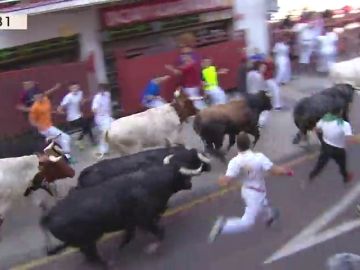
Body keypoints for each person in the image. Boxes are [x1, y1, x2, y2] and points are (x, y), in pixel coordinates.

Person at [208, 132, 294, 243]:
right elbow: (275, 170)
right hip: (255, 193)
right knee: (248, 223)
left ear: (237, 146)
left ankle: (269, 215)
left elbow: (226, 181)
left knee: (262, 203)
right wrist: (287, 172)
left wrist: (220, 179)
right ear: (249, 144)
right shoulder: (259, 157)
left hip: (247, 189)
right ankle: (224, 226)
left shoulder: (235, 162)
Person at [309, 106, 360, 184]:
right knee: (342, 164)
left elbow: (316, 129)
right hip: (338, 149)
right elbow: (349, 139)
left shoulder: (323, 120)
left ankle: (312, 176)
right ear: (340, 112)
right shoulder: (344, 124)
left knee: (321, 164)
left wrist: (323, 137)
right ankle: (345, 177)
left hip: (326, 147)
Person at [29, 83, 74, 163]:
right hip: (46, 129)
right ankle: (66, 156)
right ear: (33, 98)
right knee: (66, 138)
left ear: (42, 95)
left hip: (49, 126)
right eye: (35, 97)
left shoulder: (46, 100)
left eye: (39, 96)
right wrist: (39, 126)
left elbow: (48, 111)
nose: (37, 98)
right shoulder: (34, 108)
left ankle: (66, 158)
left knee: (60, 141)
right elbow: (32, 121)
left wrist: (56, 112)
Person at [57, 82, 95, 150]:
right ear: (70, 89)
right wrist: (61, 111)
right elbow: (60, 107)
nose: (75, 89)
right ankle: (85, 140)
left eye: (77, 87)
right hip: (72, 119)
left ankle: (84, 140)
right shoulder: (68, 97)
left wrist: (88, 99)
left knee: (87, 127)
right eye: (73, 88)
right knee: (87, 126)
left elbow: (81, 102)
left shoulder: (80, 93)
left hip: (79, 115)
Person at [92, 84, 114, 159]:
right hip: (100, 118)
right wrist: (98, 111)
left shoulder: (108, 95)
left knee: (115, 127)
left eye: (104, 89)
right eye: (101, 90)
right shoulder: (97, 98)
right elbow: (94, 109)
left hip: (108, 116)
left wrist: (110, 114)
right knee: (106, 132)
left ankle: (110, 145)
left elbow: (109, 105)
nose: (102, 91)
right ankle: (103, 149)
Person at [246, 62, 269, 127]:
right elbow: (262, 88)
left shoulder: (248, 74)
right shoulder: (259, 76)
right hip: (256, 96)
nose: (264, 69)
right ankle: (261, 122)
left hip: (249, 95)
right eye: (263, 68)